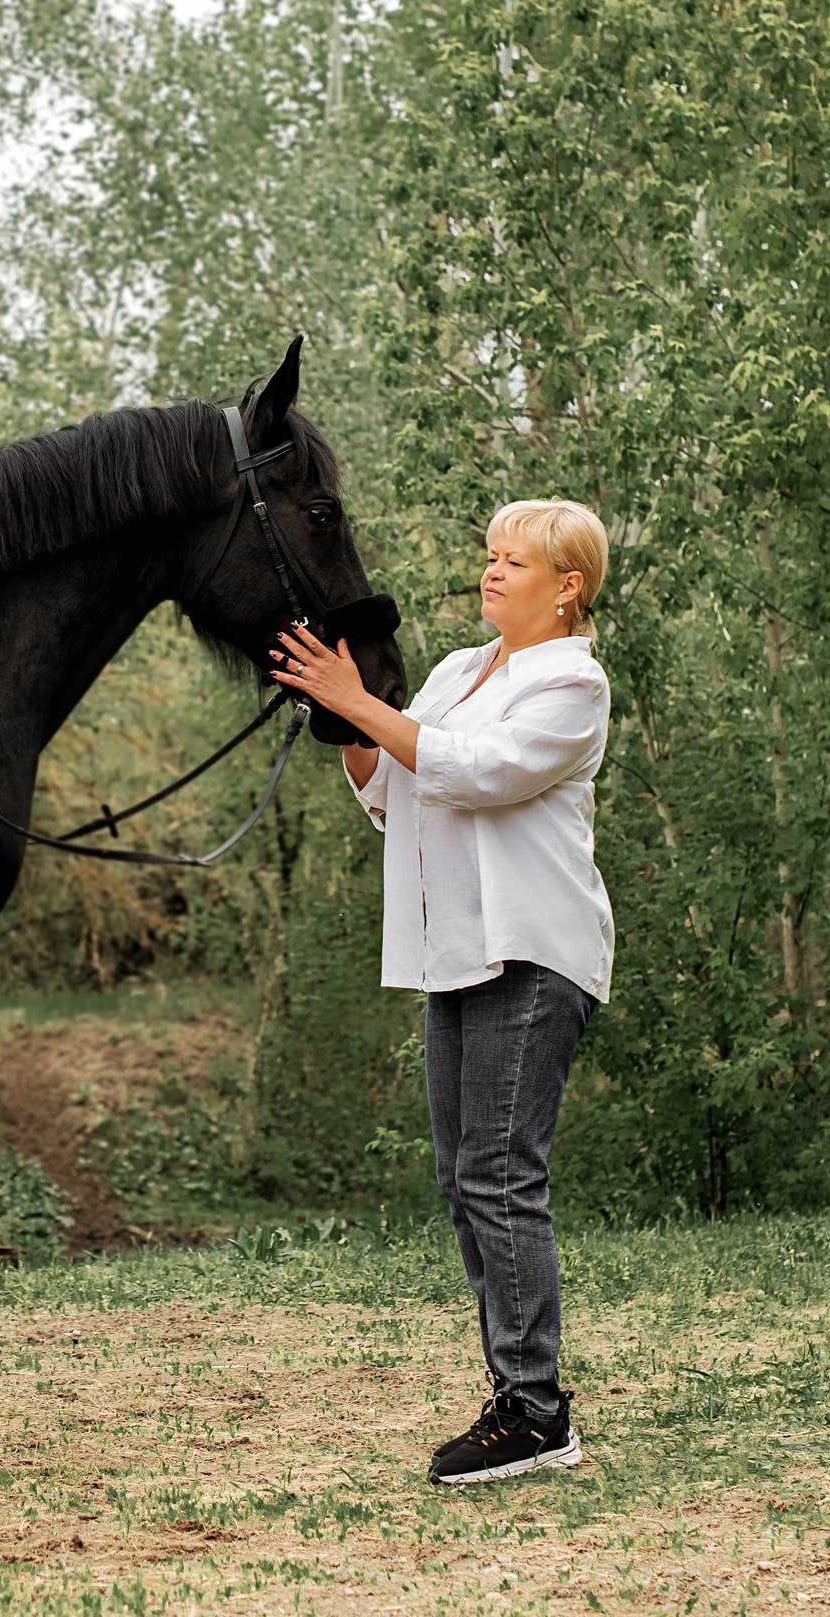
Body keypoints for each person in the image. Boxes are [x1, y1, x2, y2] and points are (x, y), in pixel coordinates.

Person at [267, 498, 614, 1486]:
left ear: (566, 589)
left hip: (530, 951)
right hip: (454, 950)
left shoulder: (572, 682)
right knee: (467, 1180)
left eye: (516, 561)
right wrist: (341, 717)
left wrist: (368, 702)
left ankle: (535, 1412)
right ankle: (516, 1397)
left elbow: (475, 772)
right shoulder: (463, 671)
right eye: (491, 557)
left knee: (502, 1175)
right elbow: (398, 792)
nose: (492, 572)